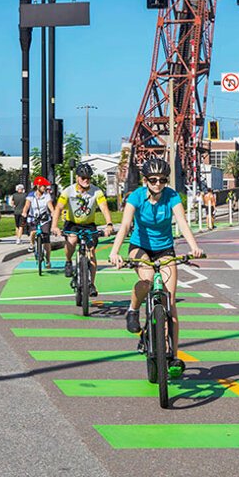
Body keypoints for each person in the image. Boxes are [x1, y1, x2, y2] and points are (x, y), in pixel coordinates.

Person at [108, 158, 203, 375]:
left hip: (165, 249)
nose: (158, 184)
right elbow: (124, 225)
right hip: (140, 246)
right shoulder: (136, 197)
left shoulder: (172, 196)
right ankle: (132, 310)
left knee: (170, 300)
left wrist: (194, 247)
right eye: (153, 180)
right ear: (145, 180)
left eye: (162, 180)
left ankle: (174, 357)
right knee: (147, 279)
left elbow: (182, 222)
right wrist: (115, 252)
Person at [51, 163, 114, 296]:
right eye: (83, 178)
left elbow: (104, 207)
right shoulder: (68, 191)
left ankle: (91, 284)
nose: (86, 180)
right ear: (77, 178)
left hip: (88, 224)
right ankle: (68, 261)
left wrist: (109, 224)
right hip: (72, 223)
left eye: (88, 178)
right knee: (72, 241)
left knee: (91, 251)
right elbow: (58, 209)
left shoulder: (97, 191)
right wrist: (54, 226)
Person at [22, 176, 55, 267]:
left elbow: (50, 206)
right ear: (38, 186)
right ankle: (32, 244)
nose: (45, 187)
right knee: (33, 232)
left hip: (44, 219)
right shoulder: (31, 195)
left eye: (45, 186)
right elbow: (27, 206)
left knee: (47, 241)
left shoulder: (46, 196)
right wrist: (24, 212)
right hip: (33, 218)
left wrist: (53, 212)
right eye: (43, 186)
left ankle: (48, 260)